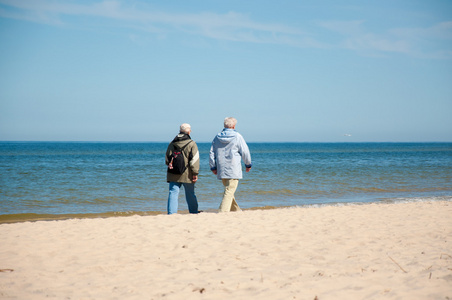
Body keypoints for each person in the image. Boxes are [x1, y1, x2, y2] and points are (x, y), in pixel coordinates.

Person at [209, 117, 252, 212]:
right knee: (229, 191)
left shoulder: (217, 137)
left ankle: (236, 211)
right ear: (233, 125)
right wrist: (248, 164)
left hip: (221, 168)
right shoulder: (237, 136)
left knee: (229, 190)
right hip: (233, 168)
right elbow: (245, 151)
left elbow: (212, 152)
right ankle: (223, 212)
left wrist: (213, 166)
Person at [165, 123, 200, 214]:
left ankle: (171, 213)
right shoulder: (192, 143)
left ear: (180, 131)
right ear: (189, 131)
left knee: (173, 192)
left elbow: (167, 159)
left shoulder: (172, 143)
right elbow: (194, 160)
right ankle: (193, 212)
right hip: (187, 173)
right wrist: (195, 173)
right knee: (190, 193)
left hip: (173, 173)